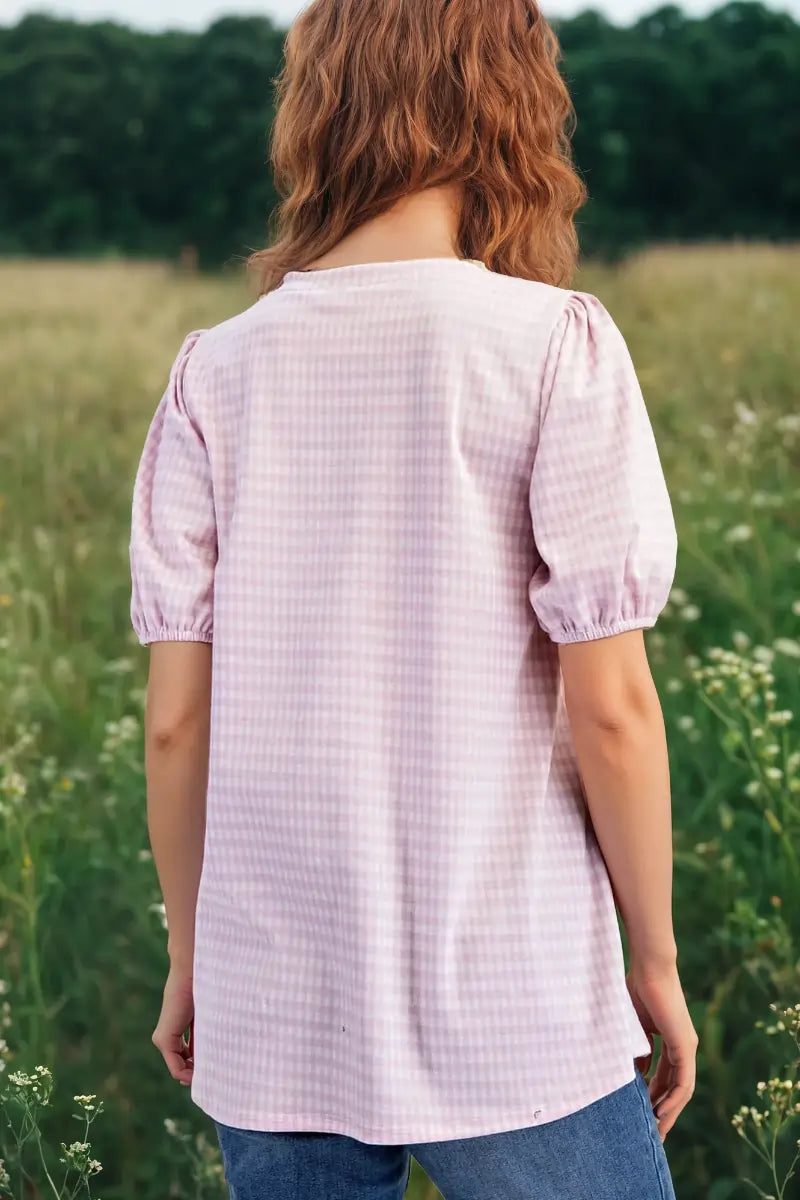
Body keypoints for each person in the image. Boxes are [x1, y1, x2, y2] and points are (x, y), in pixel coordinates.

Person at [128, 0, 698, 1196]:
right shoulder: (554, 348)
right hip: (519, 999)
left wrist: (193, 957)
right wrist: (652, 959)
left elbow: (176, 720)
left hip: (276, 1002)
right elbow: (612, 709)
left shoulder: (209, 375)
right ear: (509, 102)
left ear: (317, 109)